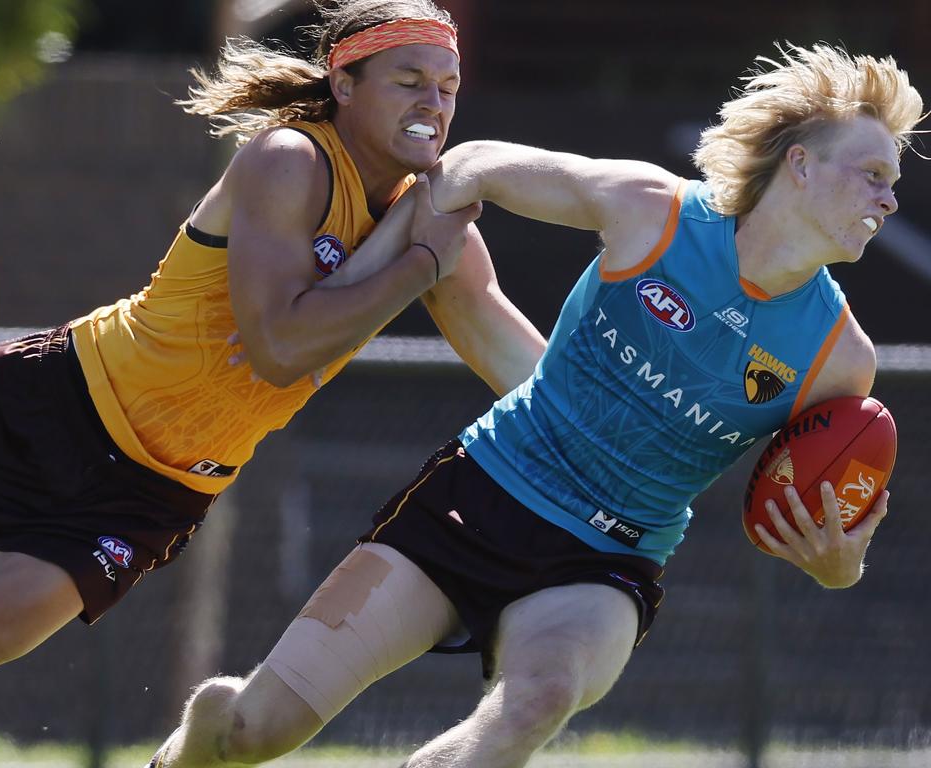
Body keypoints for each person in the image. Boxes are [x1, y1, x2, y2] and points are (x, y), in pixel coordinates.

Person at [148, 43, 921, 768]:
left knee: (540, 699)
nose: (890, 199)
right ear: (801, 166)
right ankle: (215, 727)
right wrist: (356, 285)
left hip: (608, 560)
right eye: (874, 174)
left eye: (893, 182)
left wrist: (838, 566)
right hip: (479, 493)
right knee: (255, 735)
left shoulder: (839, 359)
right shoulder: (653, 212)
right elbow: (474, 166)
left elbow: (819, 514)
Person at [0, 0, 545, 758]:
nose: (432, 104)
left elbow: (529, 373)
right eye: (409, 80)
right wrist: (421, 265)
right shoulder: (293, 160)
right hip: (65, 395)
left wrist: (625, 432)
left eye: (447, 86)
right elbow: (278, 348)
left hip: (143, 494)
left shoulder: (431, 223)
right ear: (344, 84)